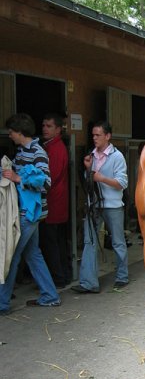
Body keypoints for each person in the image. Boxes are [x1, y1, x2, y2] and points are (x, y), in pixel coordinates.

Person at [0, 113, 61, 315]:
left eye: (11, 132)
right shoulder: (22, 151)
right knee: (33, 254)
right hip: (30, 212)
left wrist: (17, 178)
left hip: (29, 213)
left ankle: (2, 303)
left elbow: (45, 183)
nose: (10, 136)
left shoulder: (38, 152)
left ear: (20, 132)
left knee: (12, 254)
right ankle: (50, 295)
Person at [71, 121, 129, 294]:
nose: (94, 138)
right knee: (89, 241)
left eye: (98, 135)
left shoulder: (117, 157)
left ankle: (122, 277)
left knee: (118, 242)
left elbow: (122, 183)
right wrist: (88, 169)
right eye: (93, 135)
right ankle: (89, 282)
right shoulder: (92, 155)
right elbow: (89, 179)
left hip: (112, 205)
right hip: (94, 205)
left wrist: (101, 178)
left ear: (107, 136)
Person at [39, 113, 70, 288]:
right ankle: (63, 275)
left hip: (53, 203)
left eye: (49, 126)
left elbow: (50, 177)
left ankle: (58, 278)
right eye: (43, 125)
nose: (45, 128)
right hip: (58, 202)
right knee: (57, 241)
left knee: (52, 242)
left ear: (58, 129)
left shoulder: (55, 149)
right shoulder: (52, 146)